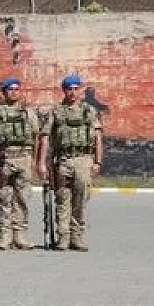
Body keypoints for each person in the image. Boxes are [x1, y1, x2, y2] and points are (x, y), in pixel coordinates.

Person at [39, 73, 102, 251]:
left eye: (76, 89)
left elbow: (97, 136)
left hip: (83, 159)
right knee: (62, 198)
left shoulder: (89, 111)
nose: (73, 92)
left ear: (80, 90)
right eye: (69, 89)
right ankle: (63, 237)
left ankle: (77, 236)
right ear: (64, 90)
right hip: (63, 160)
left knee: (80, 199)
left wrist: (98, 161)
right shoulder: (55, 112)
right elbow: (45, 137)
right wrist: (42, 163)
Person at [0, 77, 42, 250]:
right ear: (4, 92)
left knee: (22, 198)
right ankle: (5, 234)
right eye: (10, 89)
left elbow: (36, 136)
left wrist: (35, 160)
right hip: (4, 158)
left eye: (16, 89)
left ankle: (20, 234)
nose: (13, 92)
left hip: (24, 157)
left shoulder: (28, 112)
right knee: (4, 197)